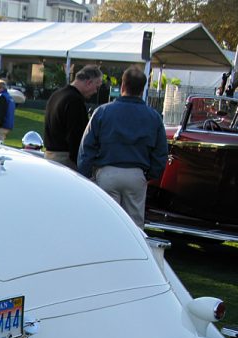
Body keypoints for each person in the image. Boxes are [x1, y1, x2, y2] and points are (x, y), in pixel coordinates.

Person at [77, 65, 168, 229]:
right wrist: (150, 174)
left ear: (123, 86)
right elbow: (161, 152)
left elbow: (87, 147)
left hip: (107, 172)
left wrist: (86, 174)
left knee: (105, 222)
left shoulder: (102, 112)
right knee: (134, 226)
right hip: (136, 174)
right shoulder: (154, 117)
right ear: (142, 89)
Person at [43, 65, 102, 170]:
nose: (95, 92)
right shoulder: (75, 101)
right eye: (97, 87)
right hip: (65, 160)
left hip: (48, 156)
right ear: (89, 82)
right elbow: (76, 137)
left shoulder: (56, 95)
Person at [0, 79, 15, 144]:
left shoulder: (2, 97)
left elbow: (1, 112)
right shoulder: (9, 97)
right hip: (8, 126)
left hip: (1, 126)